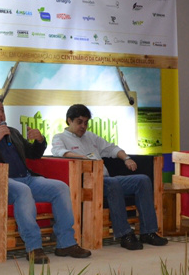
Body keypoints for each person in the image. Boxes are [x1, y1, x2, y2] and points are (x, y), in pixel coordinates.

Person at [0, 95, 91, 264]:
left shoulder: (12, 132)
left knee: (60, 187)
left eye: (2, 110)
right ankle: (34, 247)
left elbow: (33, 154)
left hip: (27, 178)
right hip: (0, 182)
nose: (0, 115)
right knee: (23, 191)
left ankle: (66, 243)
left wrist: (39, 140)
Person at [51, 104, 168, 250]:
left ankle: (148, 232)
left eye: (86, 123)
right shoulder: (60, 137)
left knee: (142, 180)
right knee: (113, 183)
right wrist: (83, 158)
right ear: (69, 120)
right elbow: (60, 152)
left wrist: (126, 158)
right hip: (87, 183)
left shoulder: (91, 136)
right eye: (79, 122)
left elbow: (111, 148)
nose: (83, 126)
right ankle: (125, 234)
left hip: (106, 179)